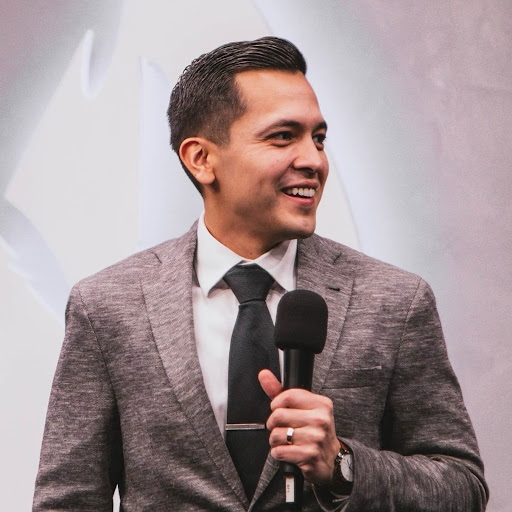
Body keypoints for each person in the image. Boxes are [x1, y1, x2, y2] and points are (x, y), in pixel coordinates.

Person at [33, 36, 488, 511]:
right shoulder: (107, 305)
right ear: (201, 159)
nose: (314, 160)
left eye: (318, 138)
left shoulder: (395, 300)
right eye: (283, 136)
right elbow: (67, 499)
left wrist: (343, 464)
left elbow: (463, 488)